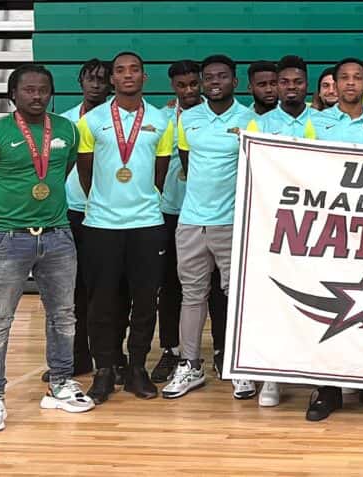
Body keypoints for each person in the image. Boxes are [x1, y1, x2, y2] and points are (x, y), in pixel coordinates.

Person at [0, 65, 95, 433]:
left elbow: (62, 171)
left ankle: (61, 383)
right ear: (13, 94)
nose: (37, 95)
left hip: (58, 235)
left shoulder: (67, 130)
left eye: (43, 89)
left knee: (63, 315)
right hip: (8, 239)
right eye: (28, 90)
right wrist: (1, 222)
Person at [77, 51, 174, 404]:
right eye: (120, 71)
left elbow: (159, 173)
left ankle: (137, 369)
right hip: (101, 224)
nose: (128, 75)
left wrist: (139, 200)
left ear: (145, 78)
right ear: (112, 80)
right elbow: (85, 171)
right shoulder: (92, 121)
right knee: (101, 302)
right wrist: (106, 201)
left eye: (135, 70)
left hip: (147, 224)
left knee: (146, 302)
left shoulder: (163, 120)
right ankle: (104, 371)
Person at [306, 57, 363, 422]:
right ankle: (327, 390)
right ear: (333, 83)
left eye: (357, 77)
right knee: (330, 308)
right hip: (329, 226)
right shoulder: (315, 122)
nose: (349, 83)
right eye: (343, 78)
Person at [162, 55, 257, 401]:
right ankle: (191, 364)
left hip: (231, 222)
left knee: (235, 297)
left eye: (223, 76)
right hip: (190, 221)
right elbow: (188, 162)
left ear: (235, 81)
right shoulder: (188, 117)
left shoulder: (250, 119)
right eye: (209, 77)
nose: (215, 81)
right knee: (192, 295)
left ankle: (239, 366)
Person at [245, 55, 318, 407]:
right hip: (271, 226)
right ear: (275, 86)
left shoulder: (325, 123)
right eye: (283, 82)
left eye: (297, 82)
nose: (290, 87)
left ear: (307, 85)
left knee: (318, 303)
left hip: (317, 229)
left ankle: (323, 377)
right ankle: (273, 377)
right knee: (275, 300)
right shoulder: (256, 125)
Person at [51, 58, 115, 383]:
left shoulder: (119, 121)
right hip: (72, 214)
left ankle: (112, 359)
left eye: (102, 79)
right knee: (71, 292)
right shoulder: (63, 122)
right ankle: (78, 358)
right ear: (80, 82)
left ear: (111, 85)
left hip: (108, 216)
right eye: (90, 79)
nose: (96, 84)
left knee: (107, 292)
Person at [152, 60, 203, 384]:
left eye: (192, 84)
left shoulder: (214, 117)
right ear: (173, 87)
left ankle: (221, 353)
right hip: (170, 211)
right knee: (169, 285)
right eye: (181, 85)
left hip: (210, 214)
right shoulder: (161, 118)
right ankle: (170, 350)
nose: (187, 90)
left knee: (212, 290)